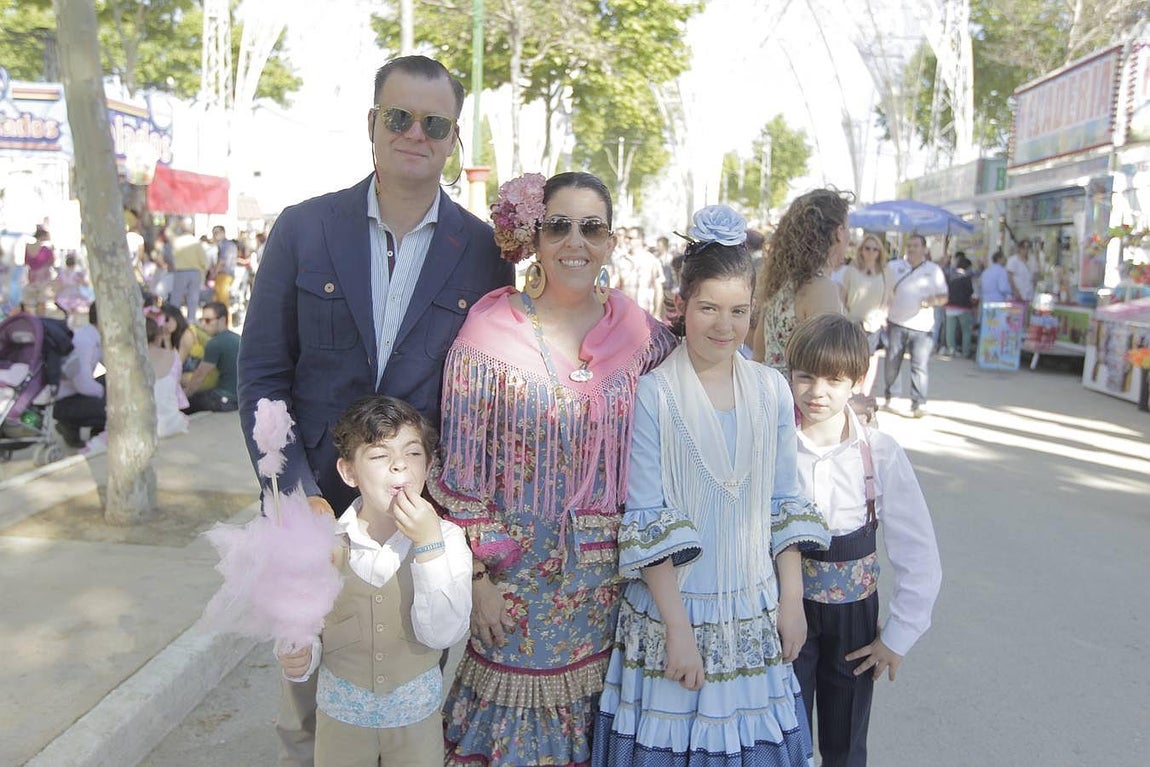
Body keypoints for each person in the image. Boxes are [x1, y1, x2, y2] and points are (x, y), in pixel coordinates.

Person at [237, 54, 513, 765]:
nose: (415, 133)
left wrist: (460, 541)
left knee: (409, 698)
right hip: (318, 513)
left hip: (418, 522)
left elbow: (485, 402)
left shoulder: (485, 253)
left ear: (453, 138)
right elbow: (263, 374)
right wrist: (292, 492)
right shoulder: (304, 228)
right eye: (399, 116)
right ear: (371, 123)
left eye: (434, 123)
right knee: (305, 704)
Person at [431, 171, 676, 767]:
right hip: (512, 584)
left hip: (610, 585)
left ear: (611, 242)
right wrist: (478, 580)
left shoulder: (642, 336)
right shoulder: (489, 335)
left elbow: (699, 403)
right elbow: (460, 476)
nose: (575, 241)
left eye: (591, 228)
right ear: (534, 238)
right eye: (558, 225)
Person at [594, 205, 830, 767]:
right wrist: (678, 631)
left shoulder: (773, 390)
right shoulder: (655, 393)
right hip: (674, 613)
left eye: (738, 311)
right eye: (709, 308)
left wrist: (791, 602)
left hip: (753, 609)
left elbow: (784, 500)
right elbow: (647, 514)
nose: (724, 326)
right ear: (682, 304)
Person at [275, 395, 471, 767]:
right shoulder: (324, 544)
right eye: (380, 455)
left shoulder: (448, 539)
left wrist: (428, 546)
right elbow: (308, 632)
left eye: (413, 453)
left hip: (416, 723)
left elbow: (444, 634)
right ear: (349, 472)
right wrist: (298, 655)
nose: (399, 465)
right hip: (341, 722)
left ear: (428, 466)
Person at [785, 314, 941, 767]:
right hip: (786, 612)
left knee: (847, 741)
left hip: (854, 620)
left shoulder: (879, 451)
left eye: (834, 379)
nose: (817, 392)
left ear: (856, 380)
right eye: (805, 376)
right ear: (789, 374)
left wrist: (898, 635)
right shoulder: (776, 445)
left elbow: (918, 550)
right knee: (784, 734)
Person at [753, 188, 851, 374]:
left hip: (769, 389)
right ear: (839, 232)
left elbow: (759, 355)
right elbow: (828, 366)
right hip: (799, 392)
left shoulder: (780, 285)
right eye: (848, 228)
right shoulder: (822, 289)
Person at [882, 234, 947, 418]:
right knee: (892, 362)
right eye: (909, 245)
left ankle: (919, 403)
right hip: (896, 322)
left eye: (915, 245)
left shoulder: (934, 270)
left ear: (924, 248)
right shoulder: (894, 266)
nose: (911, 249)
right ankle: (892, 396)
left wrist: (934, 300)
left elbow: (944, 297)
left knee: (919, 366)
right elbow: (884, 288)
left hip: (923, 327)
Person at [840, 234, 892, 396]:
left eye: (875, 249)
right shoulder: (850, 271)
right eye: (867, 248)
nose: (871, 252)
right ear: (861, 250)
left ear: (880, 252)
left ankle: (865, 394)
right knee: (850, 358)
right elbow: (842, 296)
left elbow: (889, 297)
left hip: (874, 323)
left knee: (871, 359)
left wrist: (883, 315)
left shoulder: (885, 273)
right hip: (852, 321)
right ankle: (850, 391)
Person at [55, 302, 105, 448]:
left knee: (113, 383)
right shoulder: (84, 341)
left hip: (74, 396)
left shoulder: (95, 337)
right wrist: (107, 396)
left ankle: (98, 430)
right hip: (66, 401)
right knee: (116, 405)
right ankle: (69, 425)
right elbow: (83, 385)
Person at [182, 301, 239, 413]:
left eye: (208, 320)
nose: (203, 325)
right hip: (239, 398)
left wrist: (184, 395)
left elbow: (200, 376)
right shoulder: (237, 338)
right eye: (201, 320)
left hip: (225, 399)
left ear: (222, 320)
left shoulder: (215, 343)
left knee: (185, 405)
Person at [146, 315, 189, 438]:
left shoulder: (133, 360)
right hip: (173, 422)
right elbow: (175, 383)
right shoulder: (174, 356)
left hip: (148, 427)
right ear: (158, 336)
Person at [169, 218, 208, 319]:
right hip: (195, 272)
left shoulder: (177, 241)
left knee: (176, 297)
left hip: (180, 272)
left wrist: (176, 223)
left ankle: (173, 318)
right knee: (193, 299)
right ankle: (191, 320)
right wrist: (204, 272)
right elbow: (204, 260)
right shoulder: (196, 242)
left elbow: (168, 232)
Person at [942, 253, 975, 358]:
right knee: (966, 330)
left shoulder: (950, 276)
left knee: (950, 330)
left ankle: (951, 349)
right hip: (963, 307)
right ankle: (965, 351)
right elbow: (970, 291)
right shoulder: (966, 278)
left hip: (950, 306)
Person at [23, 225, 55, 316]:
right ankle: (40, 319)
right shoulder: (46, 249)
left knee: (32, 302)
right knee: (42, 301)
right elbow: (52, 261)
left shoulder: (28, 247)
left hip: (32, 276)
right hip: (44, 277)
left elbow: (25, 262)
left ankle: (33, 319)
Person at [211, 225, 237, 305]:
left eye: (217, 233)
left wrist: (215, 272)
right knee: (218, 299)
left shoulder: (226, 245)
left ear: (223, 233)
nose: (215, 235)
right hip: (225, 274)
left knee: (222, 300)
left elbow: (222, 261)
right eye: (214, 233)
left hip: (224, 274)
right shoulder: (226, 244)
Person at [1006, 239, 1036, 303]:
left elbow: (1034, 276)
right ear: (1019, 248)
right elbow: (1010, 278)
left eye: (1028, 248)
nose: (1026, 250)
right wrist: (1015, 291)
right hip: (1017, 294)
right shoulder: (1013, 260)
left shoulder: (1032, 260)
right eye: (1023, 247)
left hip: (1029, 294)